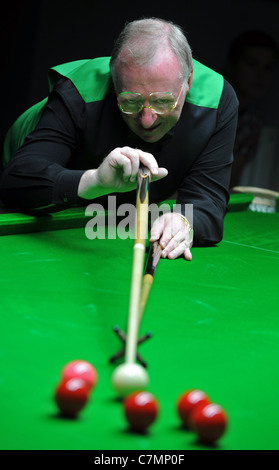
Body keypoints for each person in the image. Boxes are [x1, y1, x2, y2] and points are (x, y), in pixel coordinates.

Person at [0, 18, 238, 260]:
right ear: (114, 85)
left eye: (163, 101)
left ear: (188, 82)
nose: (147, 120)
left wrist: (185, 221)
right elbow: (17, 181)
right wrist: (95, 181)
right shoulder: (78, 92)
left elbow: (208, 201)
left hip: (110, 211)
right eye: (130, 101)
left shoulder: (217, 100)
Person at [225, 30, 279, 190]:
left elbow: (230, 179)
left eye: (268, 68)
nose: (260, 74)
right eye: (252, 64)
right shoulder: (204, 106)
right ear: (232, 64)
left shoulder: (251, 121)